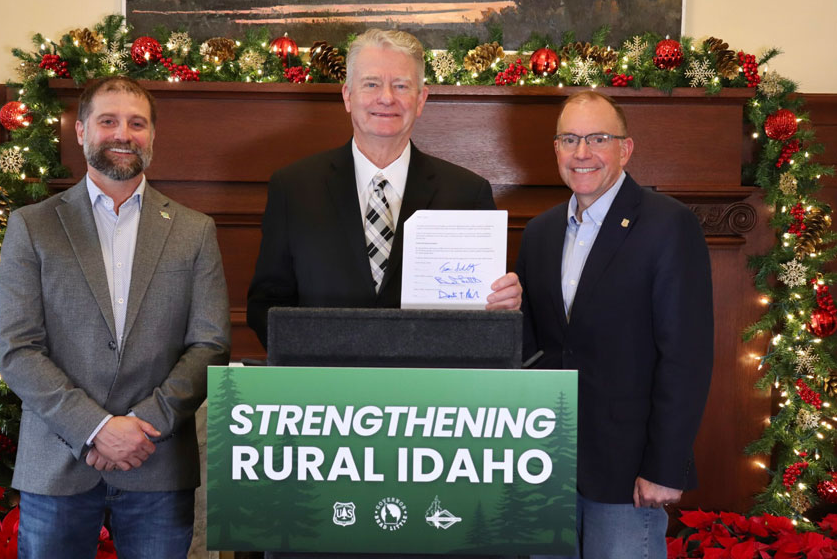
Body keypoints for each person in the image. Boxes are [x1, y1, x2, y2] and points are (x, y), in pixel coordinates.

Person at [0, 76, 231, 558]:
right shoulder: (33, 226)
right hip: (56, 462)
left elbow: (210, 344)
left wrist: (143, 424)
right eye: (108, 121)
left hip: (158, 461)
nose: (123, 133)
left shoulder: (194, 231)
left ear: (152, 136)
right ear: (80, 131)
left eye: (136, 123)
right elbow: (18, 350)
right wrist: (97, 427)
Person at [516, 91, 713, 558]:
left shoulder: (669, 226)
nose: (582, 153)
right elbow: (536, 345)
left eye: (597, 138)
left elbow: (686, 356)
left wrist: (666, 466)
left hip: (629, 473)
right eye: (569, 139)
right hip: (545, 464)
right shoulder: (539, 232)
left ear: (626, 149)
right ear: (557, 150)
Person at [247, 28, 521, 347]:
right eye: (372, 84)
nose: (386, 98)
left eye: (401, 85)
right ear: (348, 95)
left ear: (421, 99)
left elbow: (484, 319)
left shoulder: (467, 194)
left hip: (429, 390)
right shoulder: (293, 189)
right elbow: (264, 307)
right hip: (323, 387)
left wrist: (502, 305)